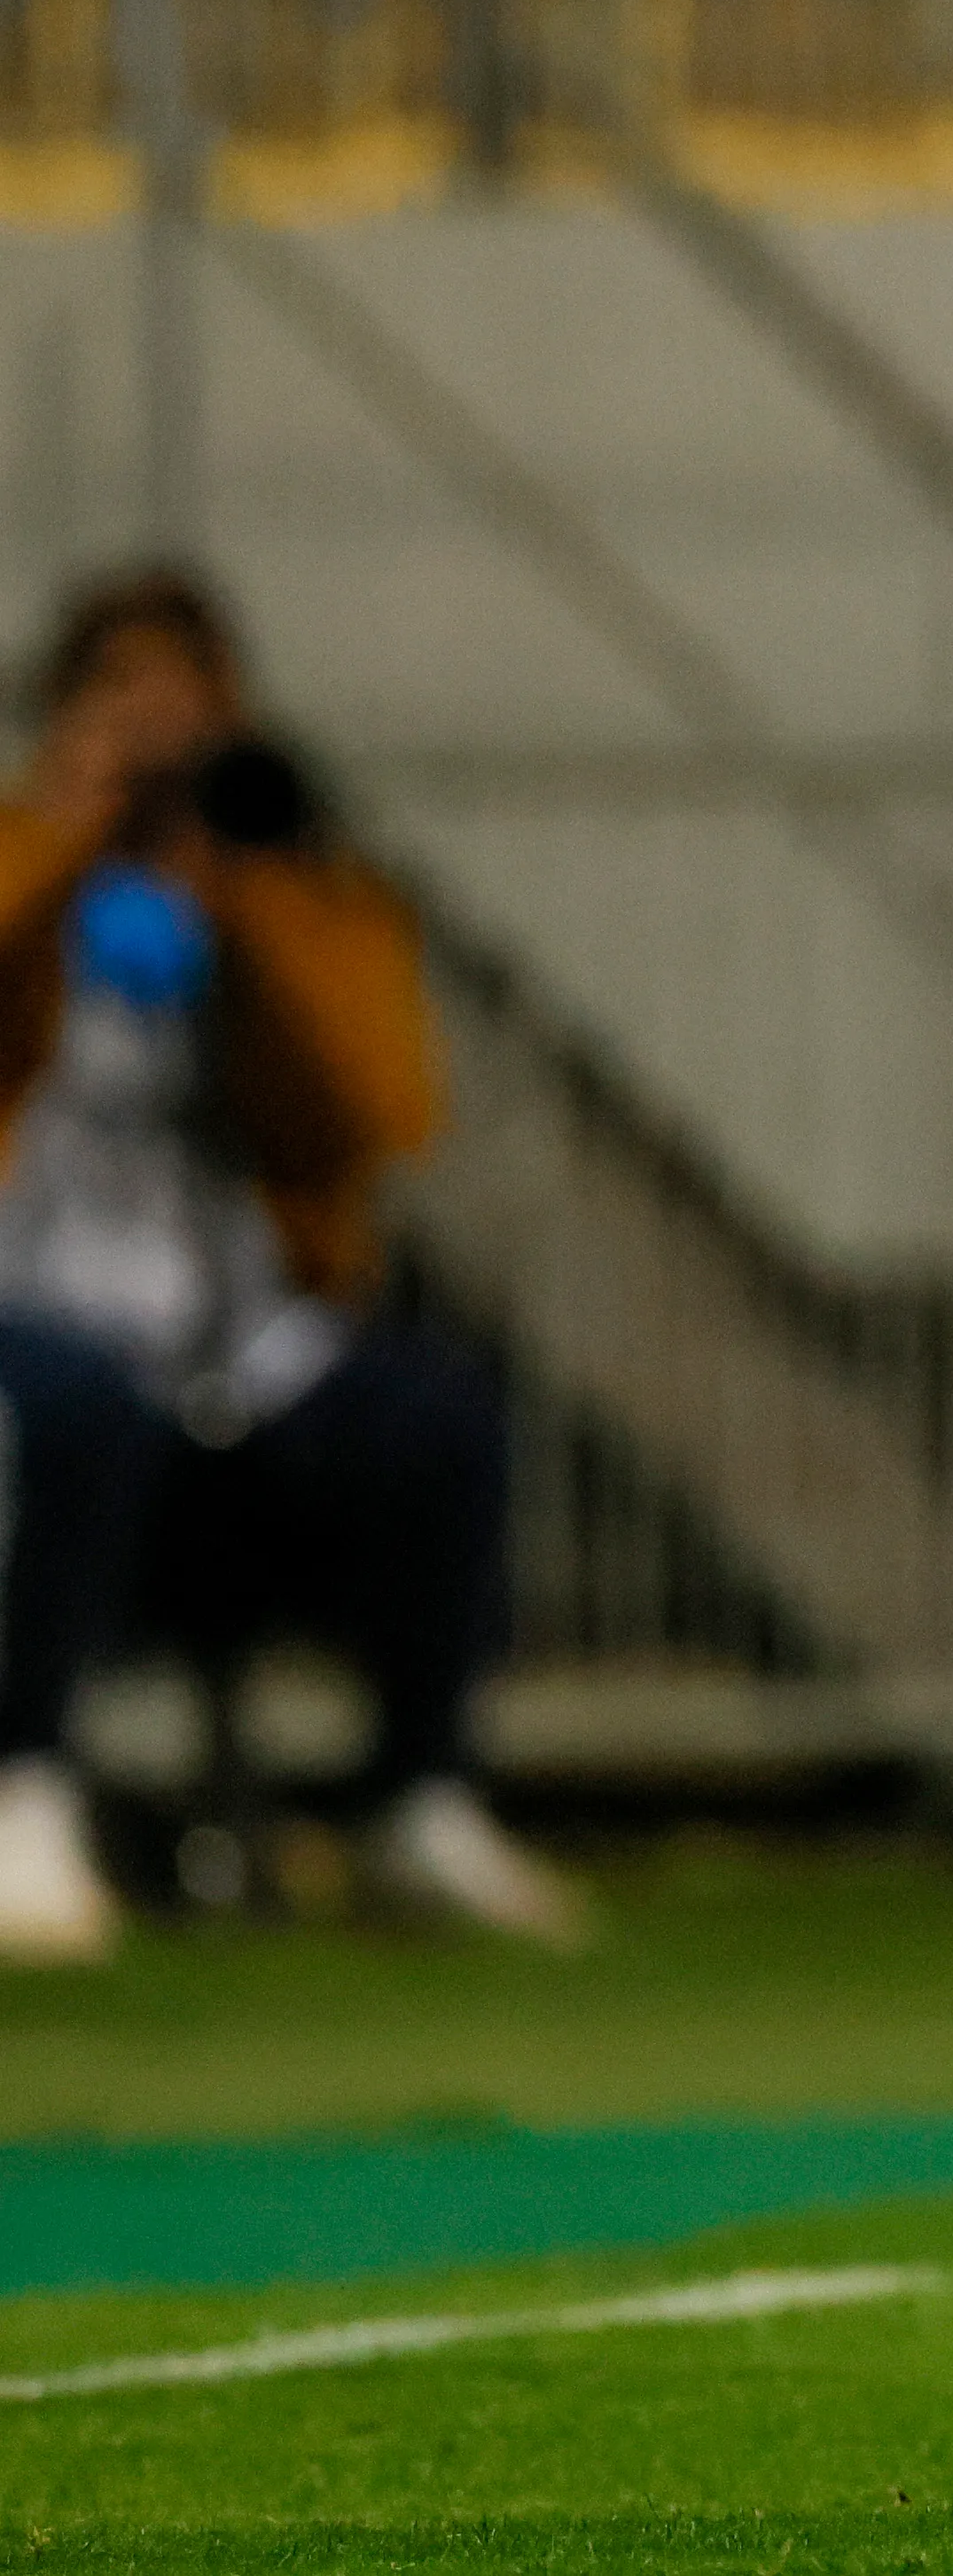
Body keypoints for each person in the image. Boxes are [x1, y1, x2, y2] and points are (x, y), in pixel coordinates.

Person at [0, 568, 576, 1964]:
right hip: (39, 1319)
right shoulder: (23, 858)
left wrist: (246, 896)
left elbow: (380, 1111)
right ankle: (24, 1792)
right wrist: (66, 835)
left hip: (235, 1340)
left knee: (435, 1421)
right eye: (121, 704)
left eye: (186, 711)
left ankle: (419, 1798)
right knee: (73, 1411)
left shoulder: (289, 889)